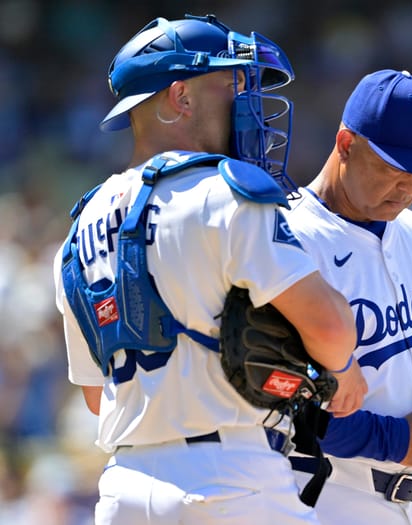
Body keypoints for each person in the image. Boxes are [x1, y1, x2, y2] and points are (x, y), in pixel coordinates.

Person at [52, 14, 366, 525]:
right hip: (231, 481)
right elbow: (332, 334)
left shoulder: (80, 226)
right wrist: (343, 369)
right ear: (181, 96)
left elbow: (95, 394)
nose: (246, 103)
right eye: (231, 86)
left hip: (125, 489)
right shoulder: (225, 193)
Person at [283, 69, 412, 525]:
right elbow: (285, 405)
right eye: (394, 167)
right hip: (319, 498)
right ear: (346, 144)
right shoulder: (288, 240)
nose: (408, 186)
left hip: (409, 503)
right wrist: (400, 441)